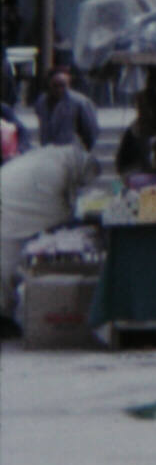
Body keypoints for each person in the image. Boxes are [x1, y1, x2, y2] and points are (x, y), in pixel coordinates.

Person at [1, 142, 99, 335]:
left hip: (9, 204)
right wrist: (72, 220)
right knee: (6, 266)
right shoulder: (57, 169)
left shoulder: (57, 159)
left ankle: (5, 314)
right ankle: (3, 318)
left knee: (6, 266)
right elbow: (54, 210)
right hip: (9, 209)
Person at [34, 65, 99, 152]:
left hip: (71, 152)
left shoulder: (80, 102)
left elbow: (91, 130)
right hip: (48, 151)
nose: (59, 89)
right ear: (49, 84)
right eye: (55, 86)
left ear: (68, 84)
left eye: (62, 85)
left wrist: (85, 150)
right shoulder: (41, 102)